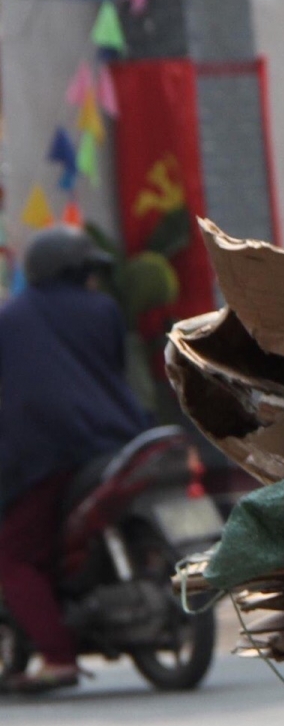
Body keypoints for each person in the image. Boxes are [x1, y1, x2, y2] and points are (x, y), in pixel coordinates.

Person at [0, 227, 151, 693]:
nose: (93, 282)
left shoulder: (13, 319)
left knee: (13, 557)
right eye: (88, 273)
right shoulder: (103, 309)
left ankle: (58, 657)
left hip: (49, 453)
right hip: (117, 440)